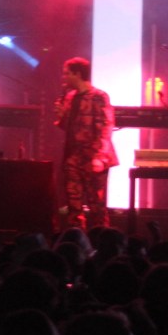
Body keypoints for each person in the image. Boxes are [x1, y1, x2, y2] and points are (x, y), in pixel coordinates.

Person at [55, 57, 118, 229]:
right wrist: (61, 117)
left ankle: (101, 240)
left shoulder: (99, 97)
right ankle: (77, 239)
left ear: (77, 74)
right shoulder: (70, 97)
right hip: (73, 158)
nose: (64, 77)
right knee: (74, 205)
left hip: (93, 158)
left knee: (96, 206)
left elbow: (106, 126)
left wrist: (99, 157)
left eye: (67, 73)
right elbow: (68, 127)